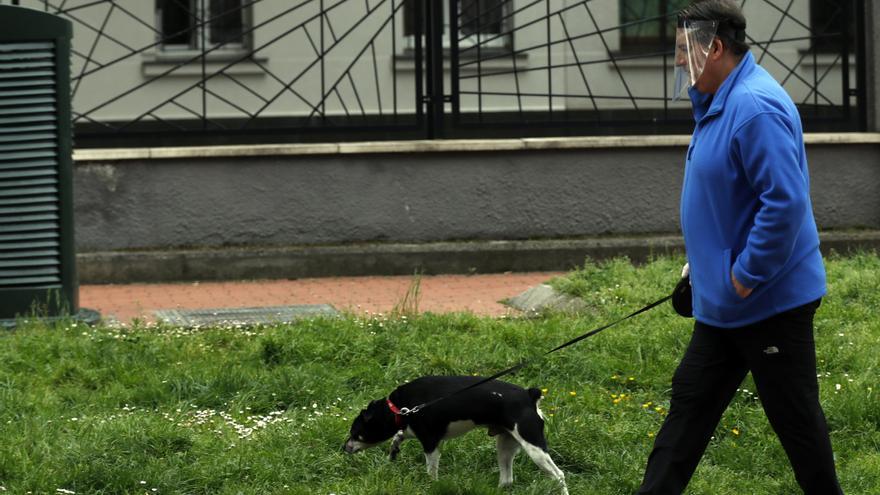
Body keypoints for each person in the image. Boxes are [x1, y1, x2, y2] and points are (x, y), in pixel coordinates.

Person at [636, 1, 844, 493]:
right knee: (688, 411)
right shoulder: (720, 101)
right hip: (724, 305)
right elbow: (730, 199)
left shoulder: (755, 108)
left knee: (797, 427)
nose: (679, 62)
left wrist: (744, 275)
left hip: (768, 303)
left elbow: (784, 204)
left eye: (685, 50)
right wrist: (703, 266)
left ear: (716, 47)